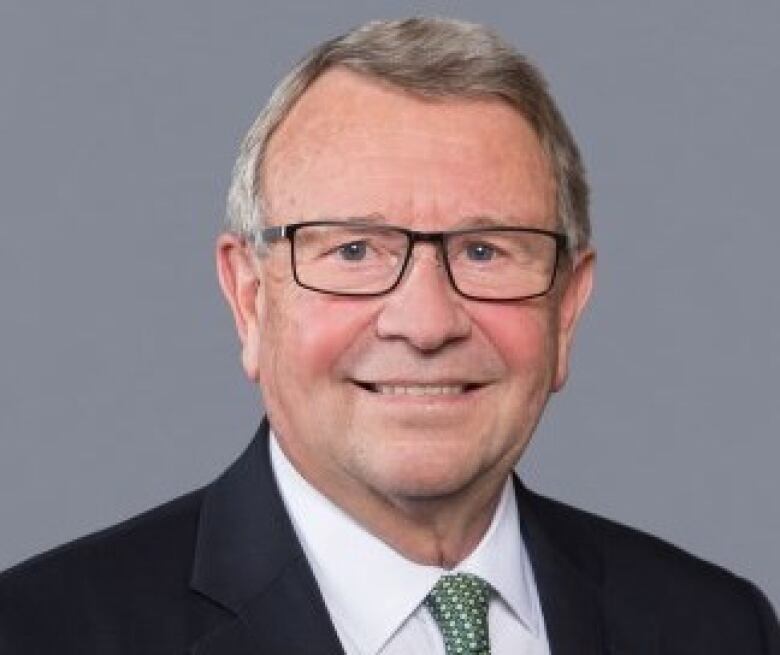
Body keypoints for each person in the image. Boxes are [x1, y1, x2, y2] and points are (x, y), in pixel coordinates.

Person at [0, 16, 777, 655]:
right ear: (249, 298)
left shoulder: (720, 627)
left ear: (566, 307)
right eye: (354, 250)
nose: (427, 322)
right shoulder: (41, 631)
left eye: (485, 250)